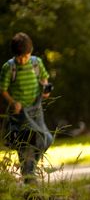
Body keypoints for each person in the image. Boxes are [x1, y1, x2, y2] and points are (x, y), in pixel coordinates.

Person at [0, 32, 53, 184]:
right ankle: (29, 178)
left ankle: (30, 171)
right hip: (20, 112)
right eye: (19, 57)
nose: (23, 60)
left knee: (46, 139)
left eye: (26, 56)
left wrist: (45, 88)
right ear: (14, 56)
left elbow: (44, 77)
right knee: (27, 142)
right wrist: (13, 102)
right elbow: (3, 89)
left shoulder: (36, 63)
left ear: (31, 52)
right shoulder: (9, 68)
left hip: (36, 109)